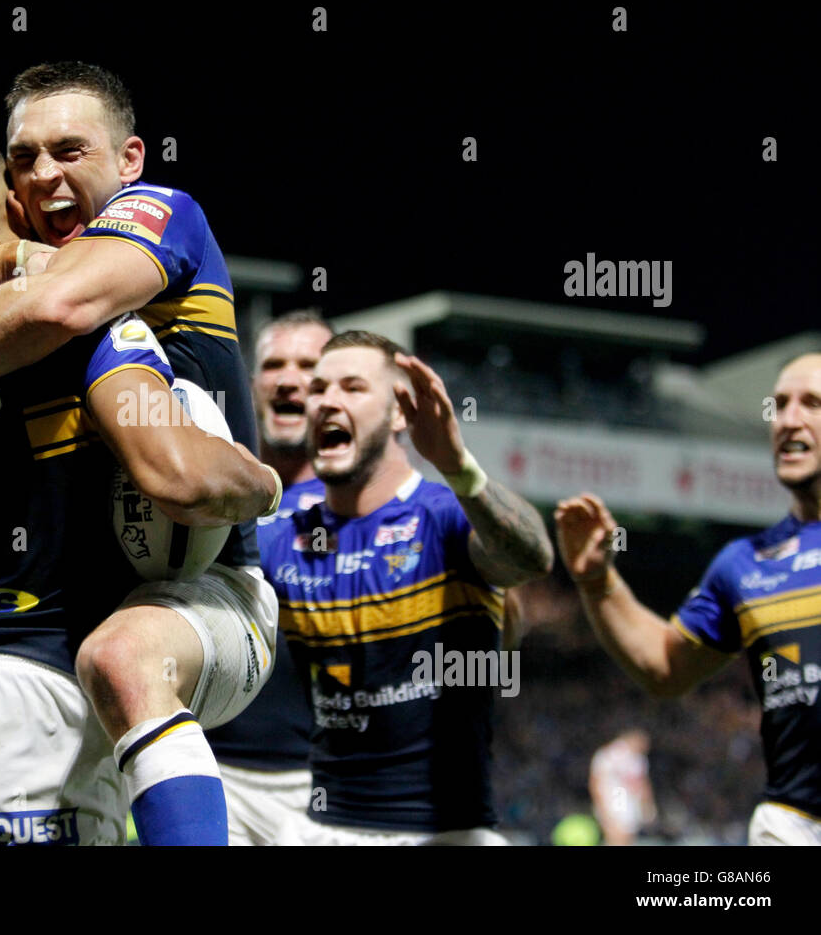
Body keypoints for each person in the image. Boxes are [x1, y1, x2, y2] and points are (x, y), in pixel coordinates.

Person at [0, 62, 279, 845]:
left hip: (206, 584)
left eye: (69, 150)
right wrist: (5, 261)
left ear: (130, 159)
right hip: (31, 674)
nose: (45, 175)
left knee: (123, 657)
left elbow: (55, 301)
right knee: (114, 655)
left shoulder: (160, 215)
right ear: (7, 194)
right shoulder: (41, 318)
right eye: (25, 158)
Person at [262, 330, 554, 843]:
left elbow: (531, 557)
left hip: (447, 833)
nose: (327, 399)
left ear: (400, 414)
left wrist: (459, 467)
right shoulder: (285, 530)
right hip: (324, 830)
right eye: (320, 388)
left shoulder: (443, 517)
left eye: (353, 388)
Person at [554, 352, 821, 845]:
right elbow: (664, 665)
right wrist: (596, 581)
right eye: (779, 405)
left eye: (812, 403)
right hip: (792, 825)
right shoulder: (745, 563)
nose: (788, 419)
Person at [206, 309, 330, 845]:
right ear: (253, 386)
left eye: (309, 366)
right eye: (274, 365)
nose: (288, 378)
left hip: (330, 788)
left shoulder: (377, 507)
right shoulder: (211, 488)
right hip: (218, 775)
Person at [588, 729, 656, 845]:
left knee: (628, 837)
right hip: (615, 797)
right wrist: (601, 805)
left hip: (631, 800)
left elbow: (642, 782)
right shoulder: (610, 754)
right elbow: (595, 781)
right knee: (617, 834)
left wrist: (647, 803)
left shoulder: (638, 758)